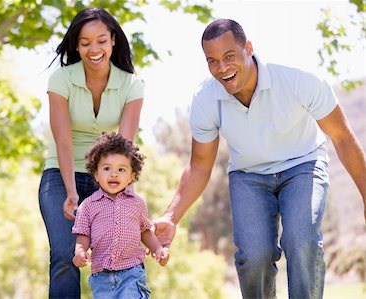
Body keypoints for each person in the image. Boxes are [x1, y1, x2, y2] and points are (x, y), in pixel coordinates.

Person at [153, 18, 366, 299]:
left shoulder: (296, 78)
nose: (222, 68)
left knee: (301, 241)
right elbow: (200, 165)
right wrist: (171, 216)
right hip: (248, 175)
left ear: (248, 48)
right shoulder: (206, 99)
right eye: (212, 61)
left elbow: (342, 138)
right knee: (254, 256)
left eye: (229, 56)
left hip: (303, 164)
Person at [38, 7, 144, 299]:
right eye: (85, 43)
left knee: (117, 254)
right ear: (76, 45)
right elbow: (63, 140)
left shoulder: (132, 85)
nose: (93, 49)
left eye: (100, 41)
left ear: (113, 41)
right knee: (65, 254)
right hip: (61, 174)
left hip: (107, 177)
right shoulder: (61, 79)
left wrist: (126, 195)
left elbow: (124, 147)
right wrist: (71, 192)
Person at [72, 132, 169, 298]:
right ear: (96, 173)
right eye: (107, 168)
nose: (114, 174)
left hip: (131, 271)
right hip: (101, 275)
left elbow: (145, 231)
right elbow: (83, 234)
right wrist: (80, 251)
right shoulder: (87, 205)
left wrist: (158, 248)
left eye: (121, 169)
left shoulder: (137, 203)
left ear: (132, 176)